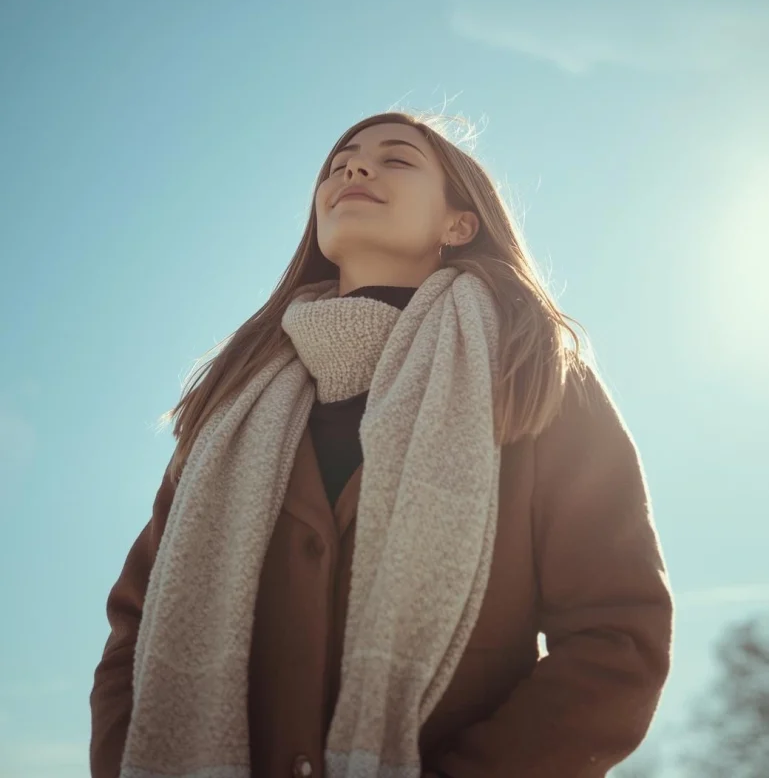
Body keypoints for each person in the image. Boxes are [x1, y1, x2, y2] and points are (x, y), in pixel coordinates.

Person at [90, 110, 673, 778]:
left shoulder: (528, 376)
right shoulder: (233, 411)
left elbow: (616, 635)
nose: (352, 168)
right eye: (338, 163)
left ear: (458, 224)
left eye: (394, 159)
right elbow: (134, 636)